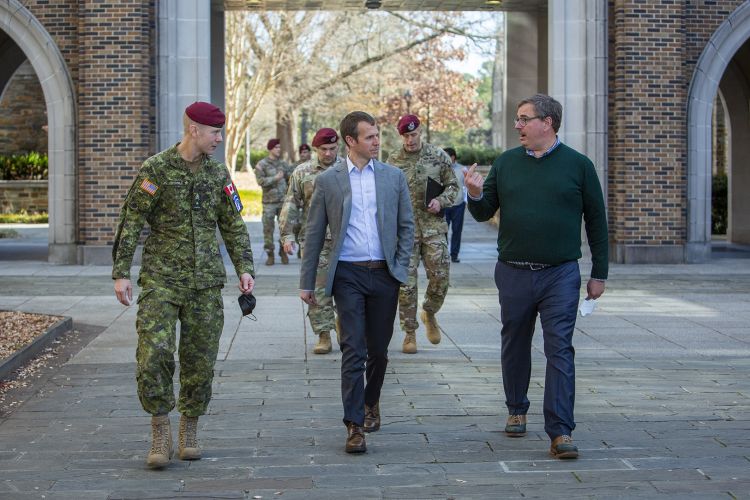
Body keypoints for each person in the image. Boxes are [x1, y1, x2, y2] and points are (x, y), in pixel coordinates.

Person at [112, 101, 255, 469]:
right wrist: (121, 271)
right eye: (214, 132)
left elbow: (234, 225)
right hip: (161, 279)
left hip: (205, 282)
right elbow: (132, 220)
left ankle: (189, 428)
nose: (219, 139)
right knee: (154, 354)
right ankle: (160, 428)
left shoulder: (218, 174)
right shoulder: (156, 169)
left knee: (200, 359)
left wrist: (244, 268)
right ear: (194, 130)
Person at [464, 94, 608, 460]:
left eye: (524, 119)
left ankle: (560, 431)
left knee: (559, 347)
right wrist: (474, 193)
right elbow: (484, 213)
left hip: (560, 274)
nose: (518, 126)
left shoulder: (579, 166)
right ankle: (516, 407)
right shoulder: (507, 163)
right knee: (514, 341)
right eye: (517, 119)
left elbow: (596, 221)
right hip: (512, 272)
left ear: (548, 122)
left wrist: (599, 274)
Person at [299, 111, 414, 454]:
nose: (377, 141)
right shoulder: (329, 181)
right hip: (347, 274)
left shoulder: (394, 177)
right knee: (353, 349)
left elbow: (407, 227)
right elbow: (314, 233)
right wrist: (308, 283)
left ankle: (370, 401)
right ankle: (353, 425)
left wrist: (400, 267)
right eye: (370, 137)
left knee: (378, 350)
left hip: (384, 275)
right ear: (351, 141)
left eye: (378, 135)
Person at [386, 114, 458, 354]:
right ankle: (409, 333)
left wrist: (440, 201)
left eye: (413, 134)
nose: (410, 140)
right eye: (405, 136)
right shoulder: (393, 160)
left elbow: (453, 187)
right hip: (404, 232)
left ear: (420, 132)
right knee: (405, 284)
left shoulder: (438, 156)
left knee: (441, 275)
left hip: (433, 228)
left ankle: (429, 311)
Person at [280, 128, 342, 354]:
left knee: (346, 288)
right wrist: (287, 235)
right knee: (317, 290)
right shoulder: (302, 172)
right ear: (316, 149)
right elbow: (291, 203)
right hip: (314, 241)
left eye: (332, 149)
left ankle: (344, 324)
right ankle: (323, 334)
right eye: (324, 149)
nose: (328, 154)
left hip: (344, 239)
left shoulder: (348, 169)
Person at [254, 138, 293, 265]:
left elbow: (290, 179)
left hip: (283, 202)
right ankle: (270, 254)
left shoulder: (283, 164)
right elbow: (260, 181)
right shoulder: (262, 164)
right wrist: (275, 178)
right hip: (269, 203)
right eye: (276, 147)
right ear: (270, 149)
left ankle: (283, 252)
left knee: (284, 229)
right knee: (268, 229)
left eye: (279, 147)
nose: (279, 150)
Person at [442, 147, 467, 263]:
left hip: (459, 205)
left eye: (445, 156)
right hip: (445, 206)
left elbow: (466, 187)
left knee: (457, 230)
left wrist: (466, 201)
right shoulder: (440, 169)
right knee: (443, 231)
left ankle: (454, 255)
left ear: (453, 157)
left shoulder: (463, 170)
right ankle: (444, 254)